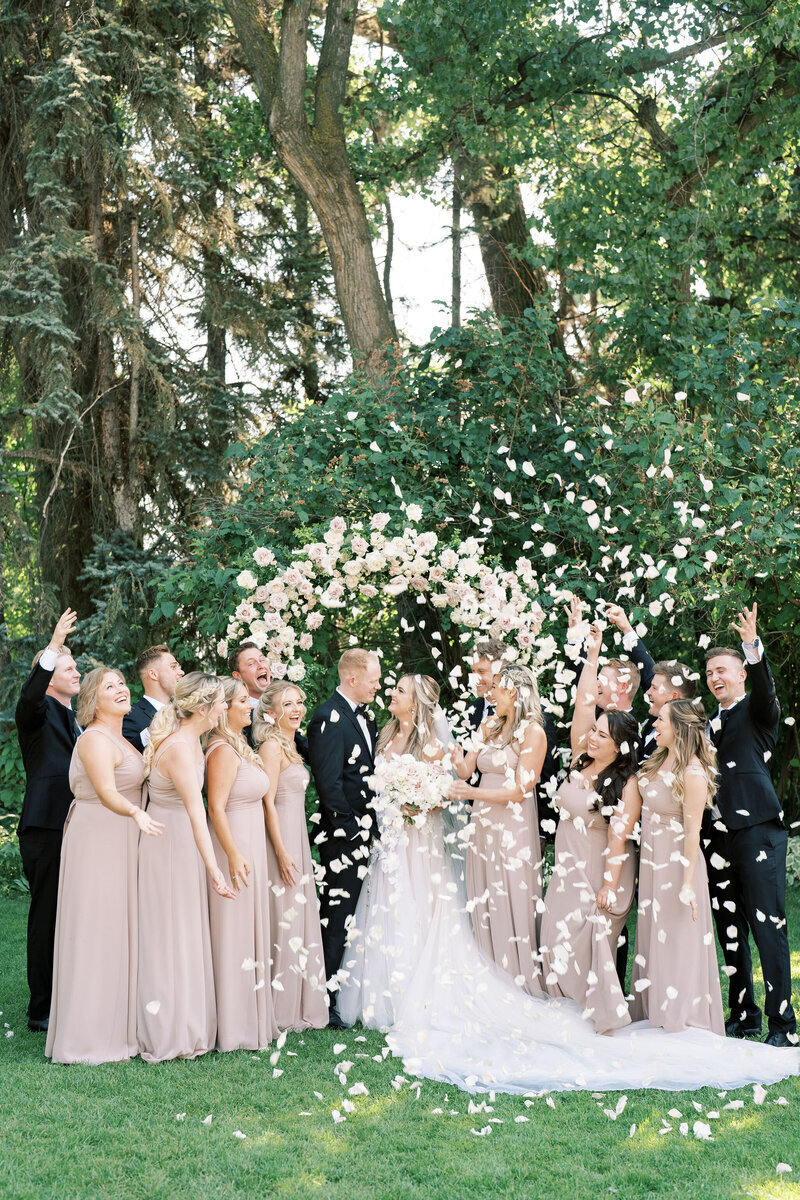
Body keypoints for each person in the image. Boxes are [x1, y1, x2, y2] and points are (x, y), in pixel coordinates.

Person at [331, 652, 799, 1094]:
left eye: (497, 687)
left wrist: (617, 880)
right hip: (571, 861)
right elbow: (484, 759)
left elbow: (636, 830)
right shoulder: (599, 761)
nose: (489, 692)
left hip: (616, 862)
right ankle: (612, 1006)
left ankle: (675, 1015)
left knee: (608, 936)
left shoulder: (637, 773)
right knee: (555, 931)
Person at [46, 668, 163, 1063]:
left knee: (119, 928)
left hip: (124, 837)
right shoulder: (95, 739)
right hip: (98, 837)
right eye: (110, 686)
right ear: (93, 700)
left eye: (122, 684)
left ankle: (121, 1027)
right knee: (96, 929)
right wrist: (136, 813)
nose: (121, 690)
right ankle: (87, 1036)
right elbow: (107, 792)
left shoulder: (124, 739)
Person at [539, 622, 641, 1034]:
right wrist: (593, 653)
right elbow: (584, 704)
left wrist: (608, 885)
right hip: (566, 869)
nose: (593, 737)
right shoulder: (579, 760)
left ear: (620, 746)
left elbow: (619, 838)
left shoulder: (628, 783)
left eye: (602, 735)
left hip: (600, 870)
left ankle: (593, 1018)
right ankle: (562, 1011)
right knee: (554, 938)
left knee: (588, 944)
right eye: (594, 732)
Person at [704, 603, 797, 1047]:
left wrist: (751, 647)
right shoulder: (707, 724)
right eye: (709, 673)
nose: (715, 677)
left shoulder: (758, 712)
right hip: (718, 838)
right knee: (730, 929)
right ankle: (744, 1015)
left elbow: (765, 691)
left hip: (758, 829)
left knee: (767, 925)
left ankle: (783, 1026)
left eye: (722, 670)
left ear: (740, 673)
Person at [338, 673, 451, 1027]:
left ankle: (413, 993)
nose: (392, 693)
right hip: (384, 836)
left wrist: (413, 805)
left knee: (412, 902)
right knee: (379, 903)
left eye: (400, 691)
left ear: (415, 702)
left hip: (415, 841)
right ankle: (376, 993)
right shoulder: (384, 733)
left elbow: (443, 796)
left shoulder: (432, 744)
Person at [137, 673, 235, 1063]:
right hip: (169, 845)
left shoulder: (192, 740)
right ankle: (168, 1031)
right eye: (221, 703)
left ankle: (189, 1023)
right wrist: (215, 870)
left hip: (183, 843)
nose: (226, 707)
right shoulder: (178, 748)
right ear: (203, 709)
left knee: (184, 932)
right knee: (169, 935)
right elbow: (197, 814)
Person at [453, 664, 548, 995]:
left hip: (512, 825)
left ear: (514, 692)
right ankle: (487, 980)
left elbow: (521, 791)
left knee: (508, 894)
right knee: (483, 893)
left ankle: (515, 979)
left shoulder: (533, 732)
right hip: (482, 821)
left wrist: (473, 794)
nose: (489, 693)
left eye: (495, 688)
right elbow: (466, 769)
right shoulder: (489, 726)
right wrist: (452, 753)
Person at [631, 698, 724, 1034]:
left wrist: (687, 884)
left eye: (661, 720)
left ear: (680, 728)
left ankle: (680, 1019)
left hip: (677, 865)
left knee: (676, 940)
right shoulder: (658, 760)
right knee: (656, 938)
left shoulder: (693, 772)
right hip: (653, 862)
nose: (655, 724)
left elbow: (692, 833)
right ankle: (655, 1011)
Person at [15, 608, 81, 1032]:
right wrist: (54, 647)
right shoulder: (36, 714)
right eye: (68, 667)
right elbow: (29, 696)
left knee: (73, 913)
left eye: (75, 665)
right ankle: (41, 1009)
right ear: (51, 673)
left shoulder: (77, 720)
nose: (76, 672)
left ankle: (70, 993)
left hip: (78, 826)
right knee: (48, 914)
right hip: (47, 826)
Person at [307, 648, 380, 1027]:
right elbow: (328, 782)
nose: (378, 685)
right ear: (352, 679)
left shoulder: (362, 716)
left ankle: (343, 990)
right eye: (373, 679)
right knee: (337, 916)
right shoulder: (328, 718)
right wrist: (351, 829)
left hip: (365, 833)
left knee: (354, 915)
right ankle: (325, 999)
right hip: (343, 839)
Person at [205, 677, 278, 1051]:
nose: (250, 704)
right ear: (224, 709)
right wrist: (232, 853)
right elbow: (215, 807)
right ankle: (233, 1027)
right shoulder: (220, 749)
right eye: (242, 701)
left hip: (251, 842)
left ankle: (252, 1018)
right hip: (232, 844)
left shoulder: (241, 745)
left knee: (250, 929)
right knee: (232, 930)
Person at [254, 682, 328, 1032]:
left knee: (296, 915)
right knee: (284, 915)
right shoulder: (271, 746)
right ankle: (280, 1009)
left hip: (295, 833)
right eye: (288, 703)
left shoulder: (292, 746)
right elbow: (266, 801)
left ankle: (298, 1003)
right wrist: (281, 851)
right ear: (271, 712)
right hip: (280, 838)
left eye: (300, 701)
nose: (297, 708)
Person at [122, 644, 184, 750]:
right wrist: (148, 733)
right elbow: (127, 758)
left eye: (179, 668)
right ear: (153, 674)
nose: (181, 672)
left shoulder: (184, 713)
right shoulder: (131, 717)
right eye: (173, 667)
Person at [641, 660, 697, 758]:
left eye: (654, 688)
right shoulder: (653, 723)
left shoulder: (682, 743)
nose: (647, 692)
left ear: (674, 696)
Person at [229, 642, 271, 749]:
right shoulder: (234, 715)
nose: (261, 666)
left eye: (262, 660)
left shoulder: (282, 703)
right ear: (237, 676)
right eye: (252, 664)